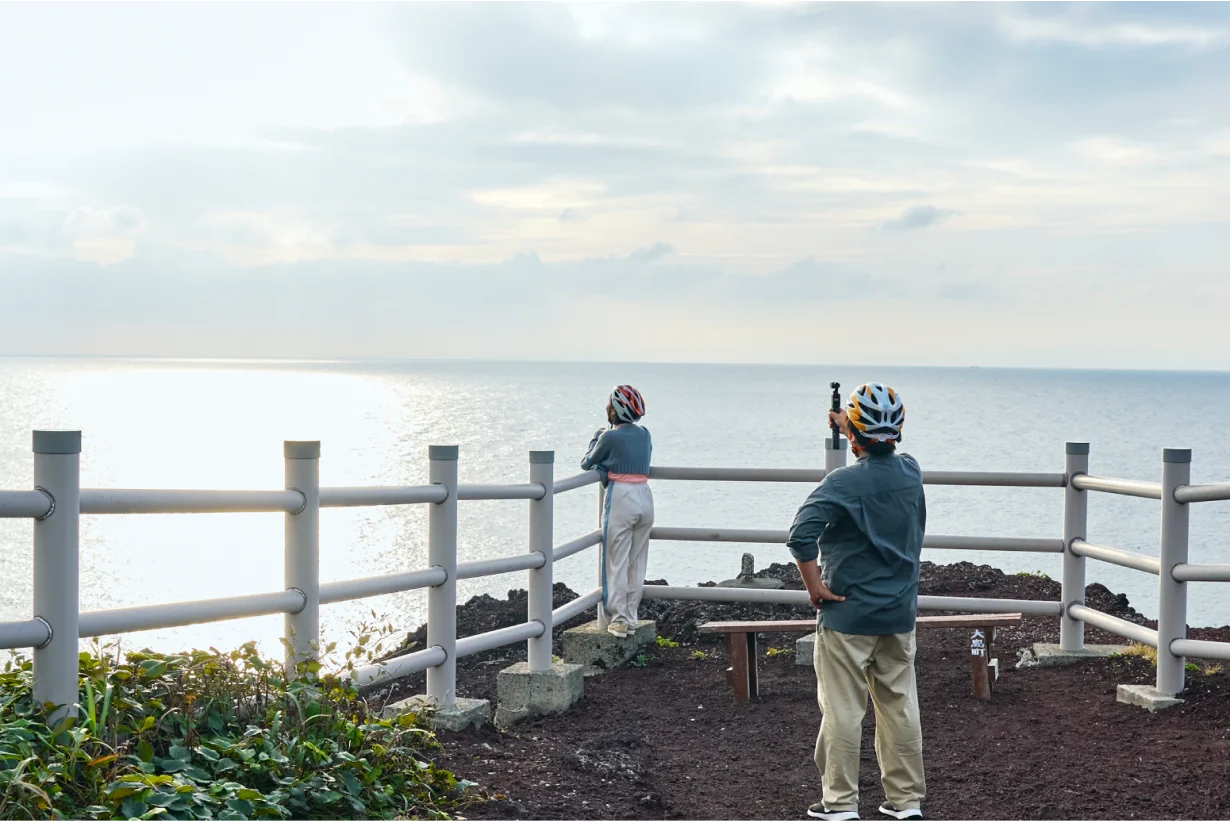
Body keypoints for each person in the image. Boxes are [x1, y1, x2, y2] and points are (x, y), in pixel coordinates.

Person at [786, 382, 927, 821]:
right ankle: (907, 804)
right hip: (898, 614)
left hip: (847, 616)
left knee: (844, 710)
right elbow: (875, 445)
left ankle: (841, 804)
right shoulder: (911, 471)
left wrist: (815, 588)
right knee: (899, 708)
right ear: (897, 430)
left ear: (854, 437)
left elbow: (800, 537)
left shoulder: (841, 483)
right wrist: (849, 424)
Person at [581, 385, 654, 638]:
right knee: (637, 561)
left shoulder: (609, 437)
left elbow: (587, 462)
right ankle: (632, 616)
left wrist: (596, 436)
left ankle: (618, 619)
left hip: (621, 496)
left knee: (616, 561)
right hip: (645, 495)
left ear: (615, 409)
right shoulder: (645, 434)